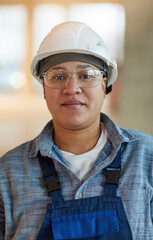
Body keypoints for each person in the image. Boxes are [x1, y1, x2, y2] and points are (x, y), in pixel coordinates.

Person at [0, 21, 153, 240]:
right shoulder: (8, 173)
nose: (72, 89)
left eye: (86, 75)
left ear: (104, 83)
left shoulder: (146, 158)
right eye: (58, 76)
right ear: (44, 87)